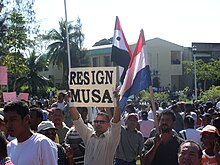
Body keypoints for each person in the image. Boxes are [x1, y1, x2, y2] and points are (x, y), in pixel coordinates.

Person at [69, 91, 121, 165]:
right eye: (96, 121)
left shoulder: (111, 138)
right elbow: (77, 119)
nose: (98, 124)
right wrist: (71, 101)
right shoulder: (88, 135)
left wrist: (116, 103)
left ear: (108, 124)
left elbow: (116, 122)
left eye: (102, 122)